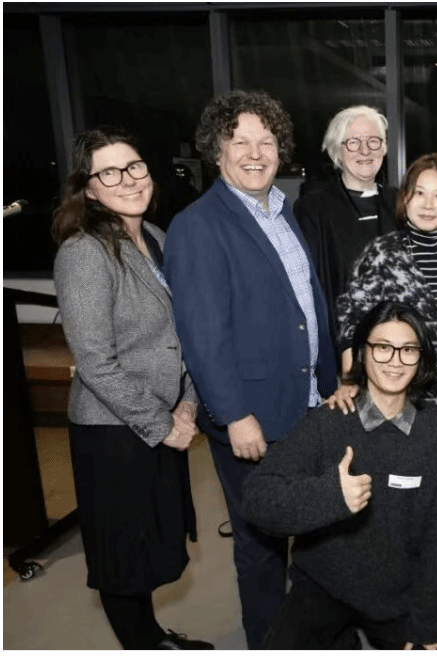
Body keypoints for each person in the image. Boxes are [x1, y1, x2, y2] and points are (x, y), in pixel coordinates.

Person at [164, 90, 338, 650]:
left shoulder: (281, 212)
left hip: (305, 404)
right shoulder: (198, 225)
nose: (255, 153)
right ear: (216, 150)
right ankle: (269, 643)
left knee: (310, 530)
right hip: (254, 416)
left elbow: (304, 307)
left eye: (266, 141)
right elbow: (203, 334)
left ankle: (305, 632)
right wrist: (234, 414)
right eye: (240, 141)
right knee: (261, 545)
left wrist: (329, 384)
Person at [52, 127, 211, 650]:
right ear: (89, 188)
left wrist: (187, 405)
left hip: (164, 418)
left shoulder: (158, 238)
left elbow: (185, 333)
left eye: (134, 166)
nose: (127, 179)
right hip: (114, 431)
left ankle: (151, 637)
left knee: (151, 542)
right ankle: (143, 646)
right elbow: (95, 362)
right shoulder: (84, 252)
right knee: (124, 552)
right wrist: (163, 424)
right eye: (109, 172)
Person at [243, 301, 437, 650]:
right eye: (383, 347)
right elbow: (257, 497)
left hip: (399, 594)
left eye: (408, 350)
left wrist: (429, 622)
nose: (395, 360)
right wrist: (329, 496)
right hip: (324, 585)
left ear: (421, 359)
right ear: (362, 352)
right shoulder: (329, 422)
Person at [331, 153, 437, 403]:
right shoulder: (381, 253)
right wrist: (349, 380)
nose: (428, 205)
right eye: (419, 193)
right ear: (405, 198)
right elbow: (351, 319)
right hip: (398, 394)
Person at [294, 105, 397, 361]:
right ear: (336, 150)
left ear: (384, 147)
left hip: (397, 345)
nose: (365, 150)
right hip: (339, 349)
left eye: (373, 141)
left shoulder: (401, 203)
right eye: (353, 142)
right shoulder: (313, 209)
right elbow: (309, 288)